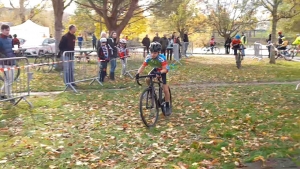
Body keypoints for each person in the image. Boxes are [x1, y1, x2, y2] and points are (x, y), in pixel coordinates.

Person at [135, 42, 171, 116]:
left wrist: (160, 73)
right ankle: (151, 91)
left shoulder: (162, 58)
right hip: (156, 69)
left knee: (165, 89)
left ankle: (167, 105)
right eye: (151, 52)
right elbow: (142, 66)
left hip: (163, 70)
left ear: (158, 52)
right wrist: (138, 74)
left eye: (154, 53)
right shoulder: (148, 57)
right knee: (148, 79)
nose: (152, 54)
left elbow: (165, 69)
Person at [0, 24, 16, 102]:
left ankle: (2, 93)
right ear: (2, 30)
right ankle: (10, 96)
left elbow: (13, 49)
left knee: (10, 80)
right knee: (9, 80)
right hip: (4, 63)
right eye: (6, 30)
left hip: (12, 62)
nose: (8, 32)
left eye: (8, 30)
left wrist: (17, 51)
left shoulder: (10, 39)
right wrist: (4, 57)